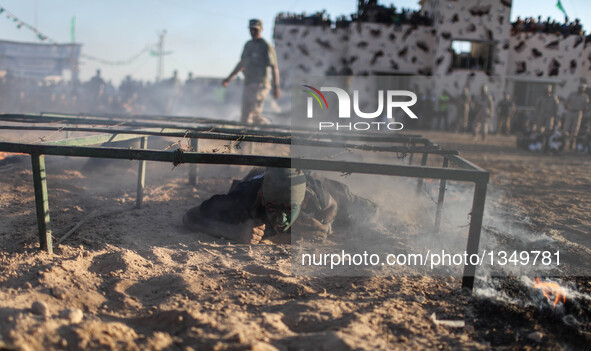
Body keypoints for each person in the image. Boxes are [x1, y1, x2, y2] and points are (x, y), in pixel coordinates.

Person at [183, 167, 377, 244]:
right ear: (262, 198)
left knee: (362, 212)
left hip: (309, 179)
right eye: (273, 207)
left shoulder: (314, 195)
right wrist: (231, 231)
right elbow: (190, 217)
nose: (281, 218)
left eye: (289, 210)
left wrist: (325, 225)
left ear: (304, 203)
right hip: (258, 175)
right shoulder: (243, 199)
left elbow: (331, 205)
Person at [222, 19, 281, 125]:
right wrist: (228, 78)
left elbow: (274, 67)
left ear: (261, 30)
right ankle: (263, 131)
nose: (253, 32)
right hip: (249, 83)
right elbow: (241, 64)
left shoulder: (265, 46)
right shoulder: (248, 45)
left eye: (255, 30)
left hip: (260, 84)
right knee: (246, 115)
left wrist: (276, 86)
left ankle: (253, 137)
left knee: (252, 113)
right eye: (251, 30)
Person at [564, 84, 589, 150]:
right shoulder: (572, 94)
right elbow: (566, 102)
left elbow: (586, 107)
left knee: (575, 130)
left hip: (578, 113)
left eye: (583, 88)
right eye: (580, 87)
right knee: (566, 128)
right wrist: (568, 109)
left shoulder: (585, 97)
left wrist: (582, 111)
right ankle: (564, 144)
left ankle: (572, 145)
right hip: (570, 112)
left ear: (584, 89)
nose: (581, 89)